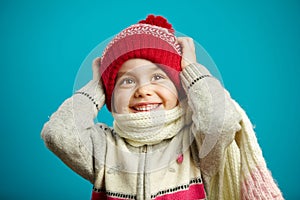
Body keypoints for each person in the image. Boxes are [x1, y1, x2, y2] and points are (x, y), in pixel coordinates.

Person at [41, 15, 283, 200]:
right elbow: (59, 134)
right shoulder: (104, 149)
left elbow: (220, 120)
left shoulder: (195, 144)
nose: (143, 90)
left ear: (180, 91)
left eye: (157, 77)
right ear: (110, 99)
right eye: (126, 81)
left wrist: (190, 68)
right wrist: (97, 87)